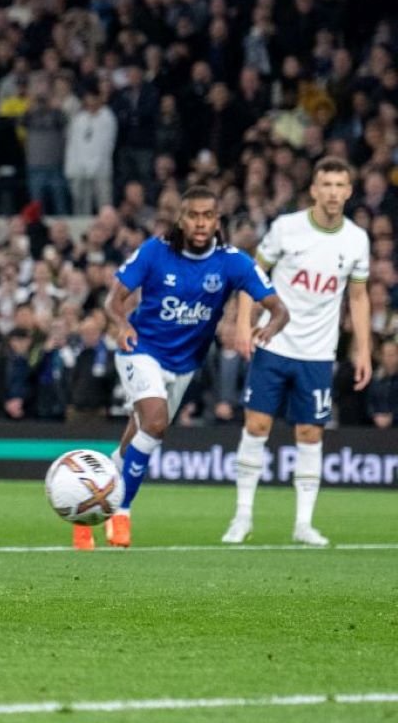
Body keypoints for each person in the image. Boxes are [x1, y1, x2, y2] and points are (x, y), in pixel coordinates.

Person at [74, 185, 289, 551]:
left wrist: (269, 325)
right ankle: (121, 512)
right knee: (155, 423)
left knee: (138, 436)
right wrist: (123, 324)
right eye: (194, 215)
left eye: (209, 215)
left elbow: (279, 307)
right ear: (182, 218)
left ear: (217, 220)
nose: (201, 222)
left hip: (184, 364)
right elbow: (114, 299)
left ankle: (88, 510)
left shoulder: (233, 261)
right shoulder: (156, 251)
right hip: (140, 349)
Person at [223, 158, 371, 546]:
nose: (334, 192)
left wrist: (364, 351)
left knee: (309, 433)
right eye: (328, 184)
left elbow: (358, 296)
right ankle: (242, 516)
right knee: (256, 427)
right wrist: (242, 325)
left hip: (319, 353)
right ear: (315, 190)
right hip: (274, 344)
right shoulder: (286, 229)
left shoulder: (357, 239)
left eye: (341, 184)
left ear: (350, 191)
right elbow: (251, 277)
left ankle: (303, 524)